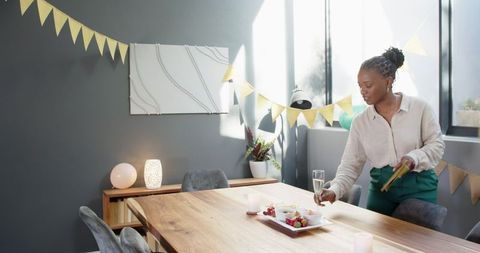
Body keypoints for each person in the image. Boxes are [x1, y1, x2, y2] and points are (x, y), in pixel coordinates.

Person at [314, 47, 445, 216]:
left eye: (368, 85)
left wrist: (414, 158)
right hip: (381, 190)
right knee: (375, 239)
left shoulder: (420, 108)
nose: (363, 91)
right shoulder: (361, 122)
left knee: (418, 240)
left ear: (388, 82)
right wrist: (335, 190)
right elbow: (350, 166)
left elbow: (437, 145)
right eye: (360, 86)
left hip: (419, 186)